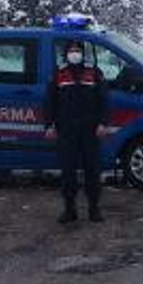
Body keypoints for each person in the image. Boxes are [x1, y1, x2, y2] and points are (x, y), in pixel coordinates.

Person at [45, 39, 110, 225]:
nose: (74, 53)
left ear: (83, 53)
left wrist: (103, 123)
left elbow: (104, 100)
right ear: (66, 54)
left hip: (90, 130)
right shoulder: (59, 74)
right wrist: (49, 125)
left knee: (92, 170)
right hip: (67, 130)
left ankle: (94, 209)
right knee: (68, 171)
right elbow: (50, 102)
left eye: (77, 50)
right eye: (71, 51)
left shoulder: (94, 72)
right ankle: (69, 210)